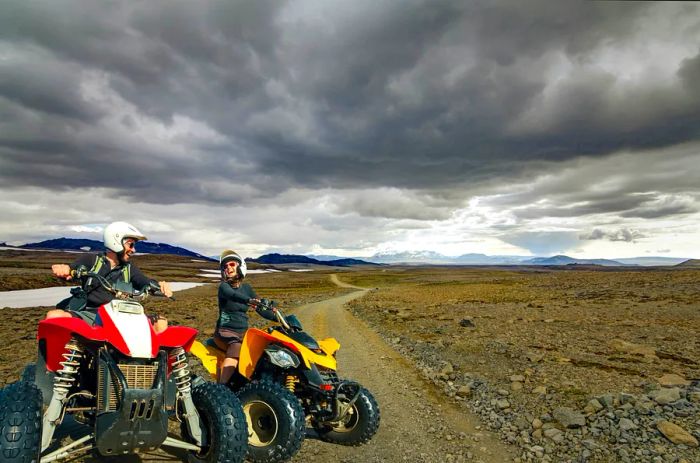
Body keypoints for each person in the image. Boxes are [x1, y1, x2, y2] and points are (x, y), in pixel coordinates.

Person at [47, 221, 172, 333]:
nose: (133, 250)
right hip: (92, 314)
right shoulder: (91, 260)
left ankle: (156, 359)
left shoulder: (128, 268)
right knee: (54, 316)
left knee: (160, 323)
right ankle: (63, 358)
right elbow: (72, 270)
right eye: (131, 245)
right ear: (116, 241)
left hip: (121, 316)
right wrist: (65, 270)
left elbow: (143, 281)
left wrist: (159, 285)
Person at [214, 249, 277, 384]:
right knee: (236, 348)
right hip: (225, 332)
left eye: (231, 264)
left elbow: (260, 307)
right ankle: (222, 387)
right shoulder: (223, 287)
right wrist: (248, 300)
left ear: (240, 266)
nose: (228, 268)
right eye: (225, 267)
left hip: (243, 333)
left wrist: (275, 315)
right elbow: (233, 295)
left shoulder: (247, 288)